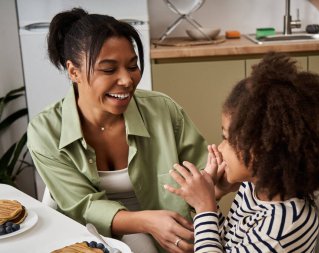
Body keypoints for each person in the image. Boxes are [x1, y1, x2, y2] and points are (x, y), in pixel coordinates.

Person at [26, 8, 208, 253]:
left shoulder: (163, 110)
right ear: (73, 71)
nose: (127, 80)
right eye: (109, 70)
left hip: (171, 234)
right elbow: (81, 206)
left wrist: (224, 176)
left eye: (132, 66)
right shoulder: (45, 131)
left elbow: (204, 174)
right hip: (90, 237)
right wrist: (148, 222)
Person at [164, 52, 319, 252]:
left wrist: (205, 207)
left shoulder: (285, 227)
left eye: (227, 139)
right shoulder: (252, 188)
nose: (219, 148)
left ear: (264, 151)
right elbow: (225, 245)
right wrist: (213, 195)